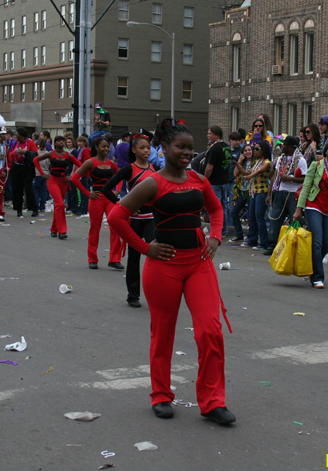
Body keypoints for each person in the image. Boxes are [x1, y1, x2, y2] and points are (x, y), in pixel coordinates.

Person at [107, 118, 235, 425]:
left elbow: (216, 209)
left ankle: (213, 402)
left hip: (199, 264)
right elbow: (116, 217)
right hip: (164, 267)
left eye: (191, 148)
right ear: (164, 148)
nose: (187, 152)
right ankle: (161, 395)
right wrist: (144, 247)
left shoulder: (198, 179)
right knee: (163, 333)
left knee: (210, 331)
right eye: (181, 147)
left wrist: (215, 236)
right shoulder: (152, 183)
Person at [101, 135, 157, 307]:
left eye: (148, 147)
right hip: (134, 219)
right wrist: (124, 206)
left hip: (151, 219)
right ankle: (133, 296)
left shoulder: (154, 168)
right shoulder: (128, 169)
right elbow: (106, 189)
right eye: (142, 148)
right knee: (134, 258)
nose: (146, 151)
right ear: (133, 150)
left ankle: (157, 294)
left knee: (156, 255)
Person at [293, 139, 328, 289]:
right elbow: (306, 187)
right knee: (316, 242)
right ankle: (317, 278)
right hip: (314, 206)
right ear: (326, 151)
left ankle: (311, 266)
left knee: (326, 244)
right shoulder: (316, 165)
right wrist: (299, 209)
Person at [70, 138, 123, 270]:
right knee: (95, 228)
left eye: (108, 147)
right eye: (103, 146)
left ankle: (114, 259)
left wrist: (117, 190)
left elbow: (120, 177)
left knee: (115, 227)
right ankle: (92, 259)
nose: (106, 149)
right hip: (96, 198)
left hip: (110, 198)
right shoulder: (90, 162)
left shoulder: (111, 163)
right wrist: (87, 193)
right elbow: (74, 178)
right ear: (97, 147)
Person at [34, 135, 83, 240]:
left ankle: (54, 229)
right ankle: (62, 231)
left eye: (62, 141)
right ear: (55, 143)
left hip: (63, 181)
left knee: (58, 206)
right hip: (52, 180)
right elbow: (35, 160)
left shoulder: (67, 155)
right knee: (60, 204)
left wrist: (73, 176)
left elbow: (81, 165)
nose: (61, 142)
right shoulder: (50, 153)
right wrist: (42, 174)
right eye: (59, 141)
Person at [265, 136, 307, 255]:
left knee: (295, 220)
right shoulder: (280, 159)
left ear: (291, 147)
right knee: (275, 219)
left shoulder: (300, 160)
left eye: (284, 144)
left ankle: (295, 246)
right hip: (280, 191)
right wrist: (270, 194)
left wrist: (289, 178)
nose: (281, 146)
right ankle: (272, 245)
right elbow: (275, 176)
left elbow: (305, 179)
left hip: (293, 193)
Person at [204, 126, 233, 237]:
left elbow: (209, 167)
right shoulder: (226, 147)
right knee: (223, 206)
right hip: (225, 181)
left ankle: (217, 231)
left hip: (215, 182)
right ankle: (224, 230)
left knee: (214, 207)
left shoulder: (214, 148)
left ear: (216, 135)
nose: (208, 135)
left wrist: (205, 179)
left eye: (210, 133)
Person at [242, 140, 271, 250]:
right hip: (254, 192)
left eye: (257, 149)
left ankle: (263, 242)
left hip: (262, 192)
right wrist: (238, 165)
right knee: (252, 217)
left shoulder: (267, 162)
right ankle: (252, 240)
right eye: (254, 149)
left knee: (260, 217)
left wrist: (249, 177)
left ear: (263, 150)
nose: (255, 151)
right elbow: (247, 173)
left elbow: (258, 171)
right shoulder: (257, 161)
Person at [8, 128, 39, 218]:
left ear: (22, 136)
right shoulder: (16, 143)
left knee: (29, 189)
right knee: (17, 189)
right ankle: (19, 209)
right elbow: (11, 153)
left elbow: (35, 154)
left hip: (26, 168)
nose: (16, 137)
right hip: (16, 167)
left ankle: (33, 208)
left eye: (18, 135)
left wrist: (26, 152)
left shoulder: (30, 143)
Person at [230, 143, 253, 242]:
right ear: (242, 153)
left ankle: (252, 235)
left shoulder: (255, 162)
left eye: (249, 150)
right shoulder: (242, 162)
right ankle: (239, 234)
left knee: (251, 215)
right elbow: (235, 173)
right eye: (245, 150)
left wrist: (238, 165)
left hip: (251, 191)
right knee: (234, 212)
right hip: (241, 190)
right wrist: (239, 161)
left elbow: (247, 173)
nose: (248, 152)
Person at [32, 139, 50, 214]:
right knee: (44, 191)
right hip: (46, 173)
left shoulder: (36, 153)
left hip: (37, 173)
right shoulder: (48, 154)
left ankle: (36, 205)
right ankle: (43, 206)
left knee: (36, 190)